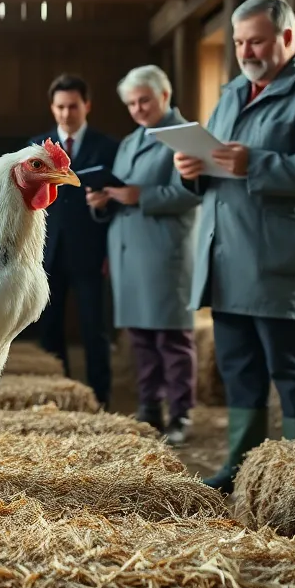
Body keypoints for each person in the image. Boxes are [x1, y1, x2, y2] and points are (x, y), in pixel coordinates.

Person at [173, 0, 295, 493]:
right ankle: (240, 469)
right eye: (238, 42)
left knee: (291, 370)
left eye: (255, 40)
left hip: (279, 262)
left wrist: (253, 162)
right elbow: (218, 162)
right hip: (227, 258)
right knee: (240, 370)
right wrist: (193, 169)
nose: (245, 51)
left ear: (288, 38)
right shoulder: (231, 93)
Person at [89, 65, 200, 444]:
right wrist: (102, 200)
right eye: (132, 103)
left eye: (145, 100)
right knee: (140, 337)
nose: (138, 108)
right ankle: (150, 408)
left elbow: (194, 192)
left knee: (171, 337)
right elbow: (119, 191)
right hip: (127, 251)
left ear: (165, 96)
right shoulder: (130, 142)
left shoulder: (184, 138)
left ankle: (181, 413)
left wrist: (142, 195)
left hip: (163, 250)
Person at [32, 73, 119, 407]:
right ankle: (60, 400)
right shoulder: (37, 147)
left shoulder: (109, 147)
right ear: (52, 109)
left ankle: (102, 399)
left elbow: (118, 199)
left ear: (87, 106)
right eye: (60, 107)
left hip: (92, 252)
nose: (66, 114)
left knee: (94, 329)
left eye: (73, 106)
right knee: (50, 328)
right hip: (47, 253)